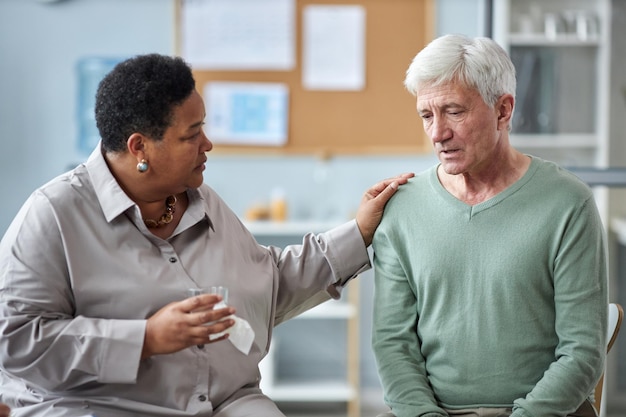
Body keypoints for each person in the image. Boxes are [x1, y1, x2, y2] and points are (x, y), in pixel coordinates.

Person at [0, 53, 413, 417]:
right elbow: (15, 341)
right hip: (102, 406)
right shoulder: (54, 214)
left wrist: (360, 231)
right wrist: (144, 339)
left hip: (227, 402)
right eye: (191, 134)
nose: (207, 143)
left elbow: (265, 283)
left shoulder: (201, 200)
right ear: (140, 147)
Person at [371, 34, 608, 417]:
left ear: (503, 110)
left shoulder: (569, 203)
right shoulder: (402, 208)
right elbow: (393, 344)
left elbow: (582, 352)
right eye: (427, 115)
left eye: (454, 111)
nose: (437, 133)